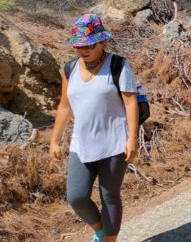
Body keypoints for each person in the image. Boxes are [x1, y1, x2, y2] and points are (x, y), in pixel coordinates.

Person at [49, 14, 139, 242]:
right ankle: (100, 230)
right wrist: (55, 140)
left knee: (109, 195)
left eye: (88, 45)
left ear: (102, 42)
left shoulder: (118, 65)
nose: (83, 50)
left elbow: (130, 103)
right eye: (78, 45)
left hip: (114, 142)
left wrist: (132, 138)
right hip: (82, 144)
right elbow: (64, 105)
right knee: (76, 197)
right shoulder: (70, 68)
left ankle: (109, 240)